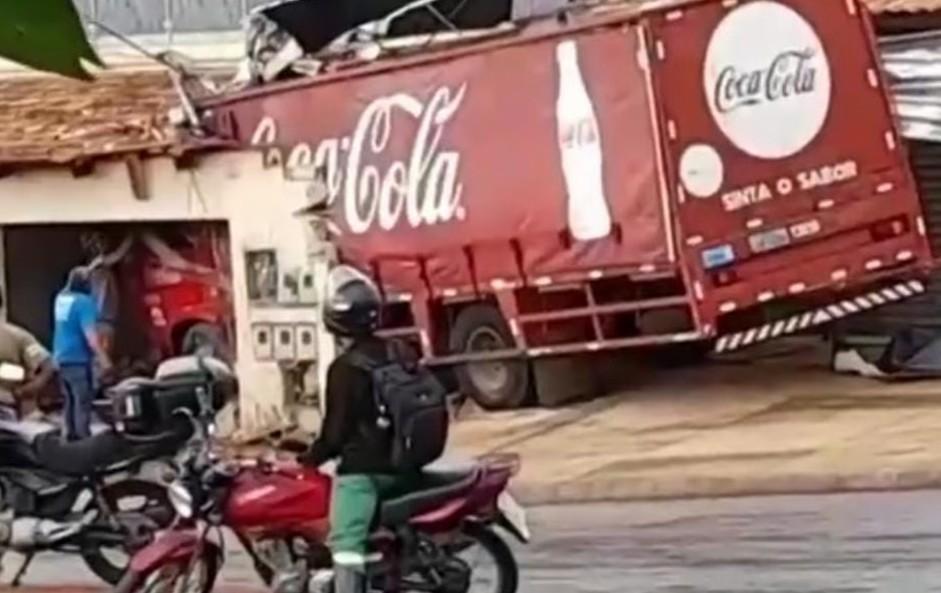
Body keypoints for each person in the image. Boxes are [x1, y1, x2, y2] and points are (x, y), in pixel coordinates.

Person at [297, 265, 448, 593]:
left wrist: (309, 458)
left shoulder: (345, 369)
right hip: (407, 463)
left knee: (345, 541)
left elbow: (335, 433)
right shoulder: (400, 350)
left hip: (366, 474)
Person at [52, 267, 113, 440]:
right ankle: (83, 439)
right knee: (82, 400)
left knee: (69, 400)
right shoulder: (84, 302)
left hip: (60, 356)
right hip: (77, 358)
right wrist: (104, 359)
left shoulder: (61, 299)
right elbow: (91, 335)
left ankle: (69, 437)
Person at [0, 289, 56, 421]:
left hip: (7, 407)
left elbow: (48, 365)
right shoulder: (18, 335)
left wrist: (28, 390)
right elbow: (48, 365)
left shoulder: (16, 336)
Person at [81, 231, 133, 359]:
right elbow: (118, 255)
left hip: (103, 319)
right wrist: (131, 238)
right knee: (103, 355)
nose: (104, 245)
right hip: (102, 318)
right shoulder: (98, 263)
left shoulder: (94, 268)